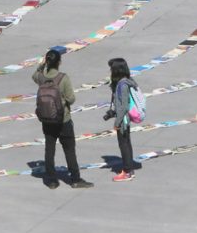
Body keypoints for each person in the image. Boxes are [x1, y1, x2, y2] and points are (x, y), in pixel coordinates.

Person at [32, 49, 93, 189]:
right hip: (63, 119)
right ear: (59, 62)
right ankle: (75, 179)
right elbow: (71, 98)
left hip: (47, 120)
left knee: (49, 149)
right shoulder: (63, 78)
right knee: (69, 150)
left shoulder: (41, 77)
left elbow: (34, 75)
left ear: (47, 61)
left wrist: (41, 65)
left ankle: (52, 181)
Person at [104, 57, 140, 182]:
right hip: (124, 118)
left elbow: (124, 106)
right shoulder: (126, 81)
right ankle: (129, 169)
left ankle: (127, 171)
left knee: (123, 145)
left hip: (123, 120)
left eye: (111, 69)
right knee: (126, 143)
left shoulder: (122, 85)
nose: (110, 72)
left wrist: (117, 122)